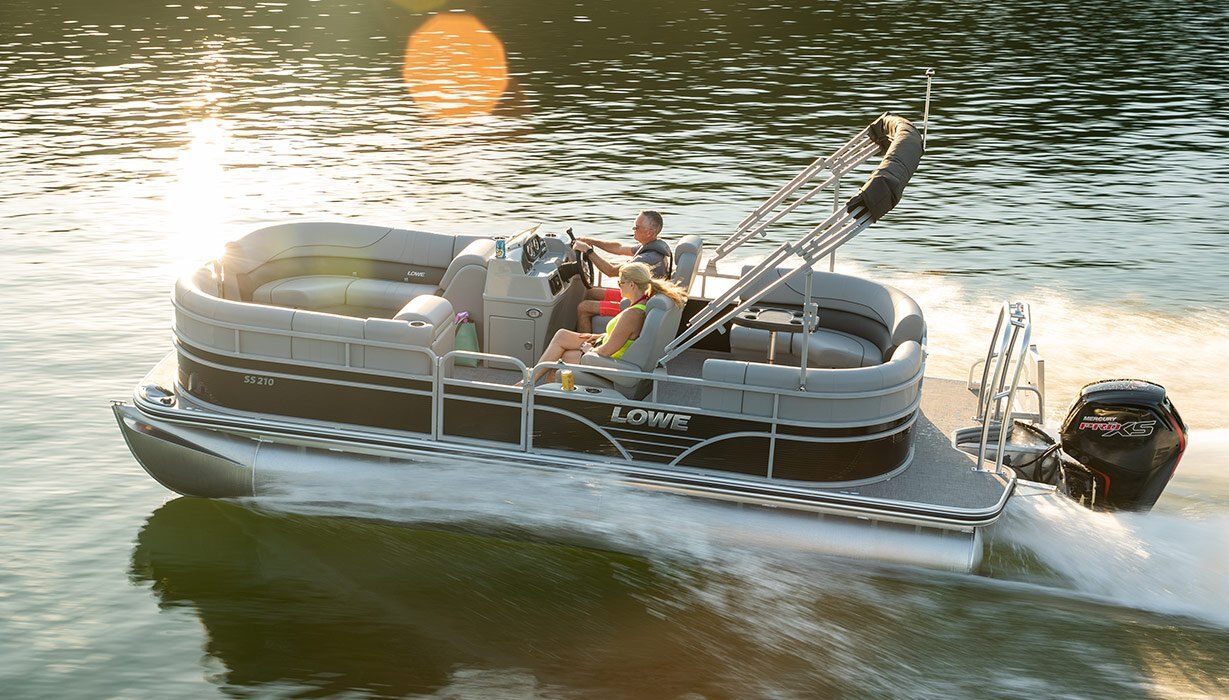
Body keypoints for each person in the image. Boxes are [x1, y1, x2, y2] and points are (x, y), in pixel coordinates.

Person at [526, 262, 687, 385]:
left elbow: (605, 351)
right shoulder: (641, 304)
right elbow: (624, 336)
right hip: (607, 346)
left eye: (620, 283)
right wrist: (598, 336)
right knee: (561, 335)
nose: (619, 286)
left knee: (559, 362)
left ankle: (534, 388)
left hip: (609, 361)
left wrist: (589, 350)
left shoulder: (632, 315)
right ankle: (531, 380)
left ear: (632, 285)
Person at [572, 210, 673, 334]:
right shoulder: (652, 246)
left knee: (583, 308)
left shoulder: (647, 259)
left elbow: (610, 271)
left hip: (637, 306)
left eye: (637, 227)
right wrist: (591, 241)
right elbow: (619, 248)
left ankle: (583, 344)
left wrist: (588, 251)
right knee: (591, 293)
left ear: (649, 232)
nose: (633, 229)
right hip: (639, 294)